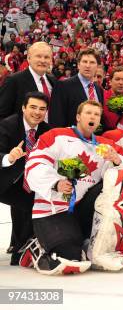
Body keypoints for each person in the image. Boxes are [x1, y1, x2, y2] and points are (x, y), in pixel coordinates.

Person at [23, 101, 123, 275]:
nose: (93, 117)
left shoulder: (106, 145)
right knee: (70, 256)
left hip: (84, 210)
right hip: (53, 209)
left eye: (97, 114)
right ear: (78, 117)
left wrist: (116, 161)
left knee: (112, 183)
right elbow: (35, 163)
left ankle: (86, 240)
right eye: (88, 113)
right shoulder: (57, 135)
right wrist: (55, 183)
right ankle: (35, 248)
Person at [0, 92, 50, 265]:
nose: (37, 112)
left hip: (28, 182)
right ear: (23, 108)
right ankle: (21, 248)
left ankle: (21, 249)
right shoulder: (8, 125)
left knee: (31, 201)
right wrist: (9, 157)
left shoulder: (47, 130)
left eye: (42, 109)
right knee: (26, 201)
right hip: (4, 179)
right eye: (33, 107)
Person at [49, 48, 104, 128]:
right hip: (69, 138)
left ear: (97, 66)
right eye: (84, 62)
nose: (88, 65)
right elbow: (56, 120)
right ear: (78, 65)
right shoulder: (63, 86)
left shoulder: (99, 90)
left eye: (92, 62)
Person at [0, 42, 56, 119]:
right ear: (29, 58)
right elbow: (2, 114)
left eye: (46, 57)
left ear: (51, 60)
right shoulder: (13, 81)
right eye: (38, 56)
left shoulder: (53, 80)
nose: (43, 61)